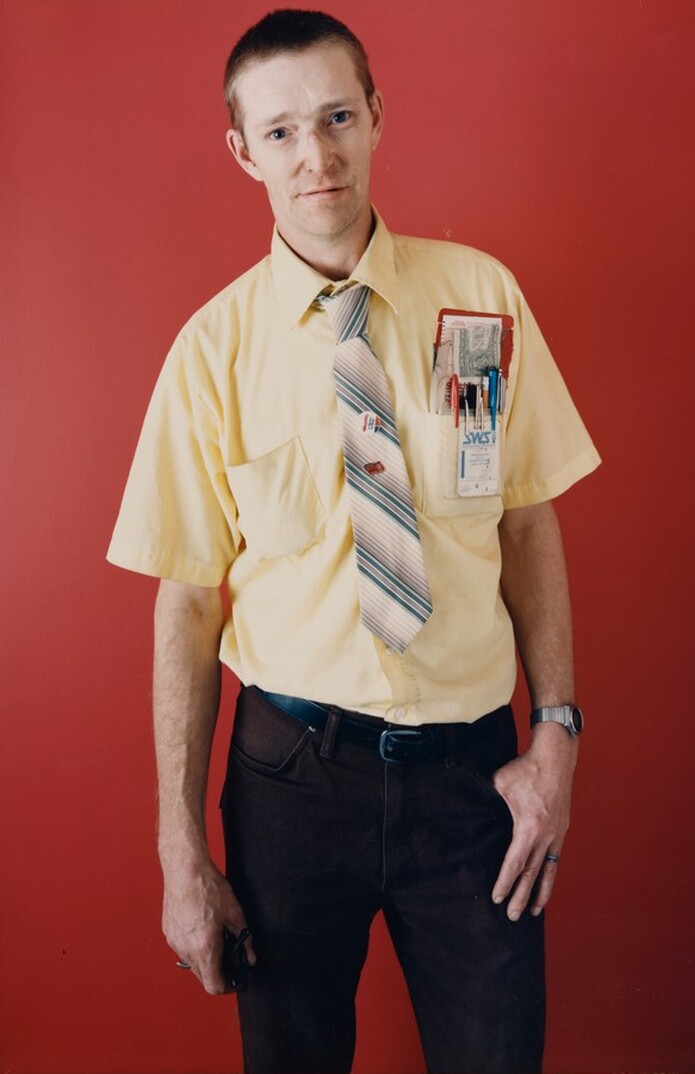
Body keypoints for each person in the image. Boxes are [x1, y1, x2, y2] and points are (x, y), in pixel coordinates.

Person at [107, 9, 600, 1074]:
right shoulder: (214, 355)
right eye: (280, 131)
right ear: (242, 150)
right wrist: (179, 850)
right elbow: (188, 604)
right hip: (292, 785)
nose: (315, 154)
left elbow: (525, 519)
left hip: (473, 782)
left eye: (337, 116)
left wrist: (554, 734)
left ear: (377, 117)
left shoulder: (478, 303)